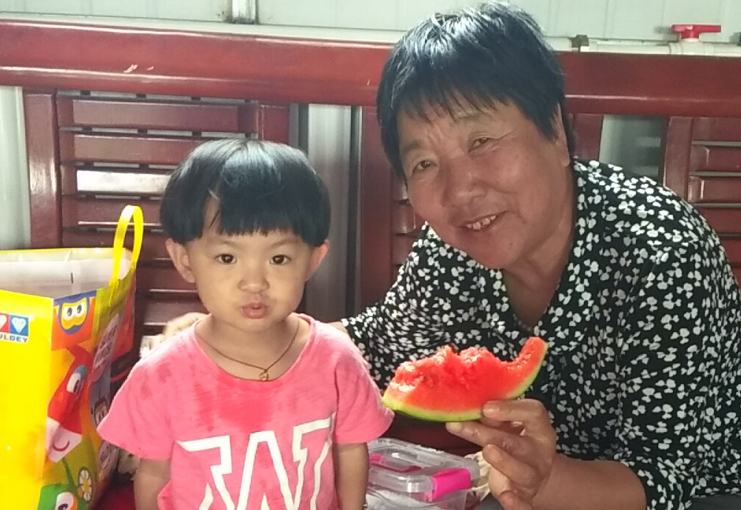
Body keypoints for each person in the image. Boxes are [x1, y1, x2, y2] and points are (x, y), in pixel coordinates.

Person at [160, 3, 741, 510]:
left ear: (557, 133)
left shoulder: (662, 250)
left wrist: (548, 480)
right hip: (509, 487)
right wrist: (238, 342)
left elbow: (665, 479)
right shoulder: (452, 250)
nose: (460, 190)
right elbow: (379, 344)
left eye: (481, 141)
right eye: (425, 163)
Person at [98, 139, 392, 510]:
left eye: (279, 258)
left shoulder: (337, 360)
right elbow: (154, 473)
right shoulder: (161, 376)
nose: (254, 282)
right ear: (184, 260)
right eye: (227, 257)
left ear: (313, 260)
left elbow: (350, 450)